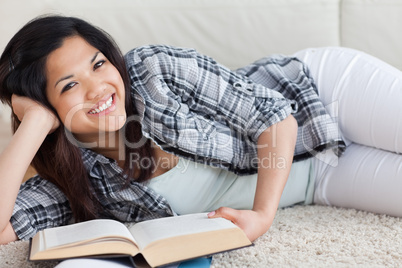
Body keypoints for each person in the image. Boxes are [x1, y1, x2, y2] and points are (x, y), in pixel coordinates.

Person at [0, 15, 401, 247]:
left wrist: (262, 215)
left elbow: (273, 115)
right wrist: (33, 125)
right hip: (319, 178)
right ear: (49, 110)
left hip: (323, 94)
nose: (98, 88)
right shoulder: (75, 180)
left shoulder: (151, 72)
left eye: (99, 64)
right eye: (68, 86)